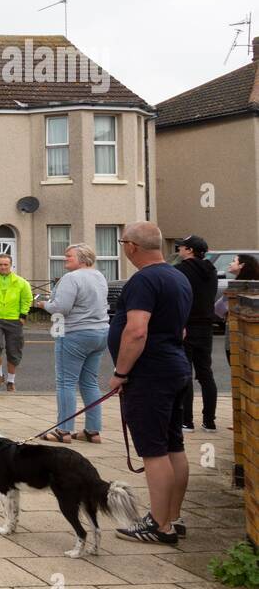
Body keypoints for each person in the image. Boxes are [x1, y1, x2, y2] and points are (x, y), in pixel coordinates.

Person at [108, 221, 193, 544]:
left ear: (131, 246)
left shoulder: (143, 281)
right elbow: (180, 329)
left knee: (154, 451)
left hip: (150, 375)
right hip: (175, 368)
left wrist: (121, 372)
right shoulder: (177, 276)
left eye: (123, 243)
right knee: (174, 445)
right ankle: (172, 516)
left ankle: (159, 526)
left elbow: (137, 330)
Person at [34, 243, 109, 443]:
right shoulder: (99, 276)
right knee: (90, 382)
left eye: (69, 256)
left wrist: (43, 304)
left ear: (83, 258)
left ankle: (63, 430)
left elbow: (62, 308)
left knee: (66, 383)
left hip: (75, 333)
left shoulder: (71, 278)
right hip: (100, 332)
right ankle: (93, 431)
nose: (64, 258)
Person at [172, 235, 217, 431]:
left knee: (185, 374)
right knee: (205, 373)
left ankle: (186, 421)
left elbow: (177, 299)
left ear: (189, 250)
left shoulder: (180, 271)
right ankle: (209, 421)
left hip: (186, 326)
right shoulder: (211, 270)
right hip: (206, 326)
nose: (179, 250)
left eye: (181, 247)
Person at [0, 253, 32, 391]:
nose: (3, 267)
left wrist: (22, 316)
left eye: (5, 264)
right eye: (0, 264)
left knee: (13, 351)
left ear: (11, 265)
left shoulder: (21, 282)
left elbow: (27, 299)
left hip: (14, 320)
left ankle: (10, 381)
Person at [220, 254, 259, 366]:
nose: (230, 263)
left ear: (241, 265)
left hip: (237, 333)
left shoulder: (241, 286)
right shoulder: (249, 284)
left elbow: (220, 308)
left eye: (233, 261)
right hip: (242, 334)